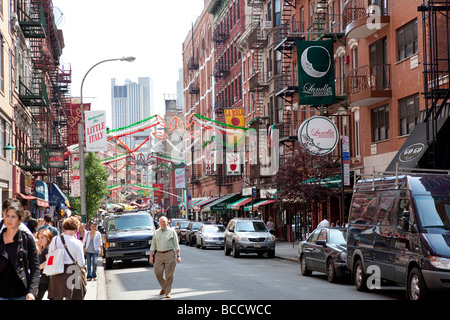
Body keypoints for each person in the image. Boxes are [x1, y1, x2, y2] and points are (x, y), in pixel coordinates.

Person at [0, 201, 40, 300]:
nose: (9, 219)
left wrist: (32, 292)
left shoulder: (26, 239)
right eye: (7, 215)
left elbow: (35, 268)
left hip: (21, 292)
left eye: (13, 217)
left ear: (20, 220)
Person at [47, 216, 86, 300]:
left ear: (64, 227)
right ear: (76, 229)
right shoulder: (77, 243)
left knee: (57, 296)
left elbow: (50, 255)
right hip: (73, 271)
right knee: (73, 296)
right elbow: (81, 263)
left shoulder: (55, 240)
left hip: (57, 271)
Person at [149, 216, 181, 298]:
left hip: (169, 254)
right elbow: (153, 245)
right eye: (161, 222)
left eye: (164, 221)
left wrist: (178, 256)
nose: (163, 223)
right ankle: (164, 287)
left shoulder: (172, 231)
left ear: (167, 222)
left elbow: (176, 244)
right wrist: (151, 256)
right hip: (159, 254)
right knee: (157, 272)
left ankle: (167, 292)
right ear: (159, 223)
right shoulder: (156, 232)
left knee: (169, 275)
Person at [36, 228, 53, 300]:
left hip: (45, 278)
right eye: (39, 238)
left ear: (48, 238)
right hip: (43, 278)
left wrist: (38, 268)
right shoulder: (43, 248)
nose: (40, 240)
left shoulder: (47, 248)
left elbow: (49, 261)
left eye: (42, 237)